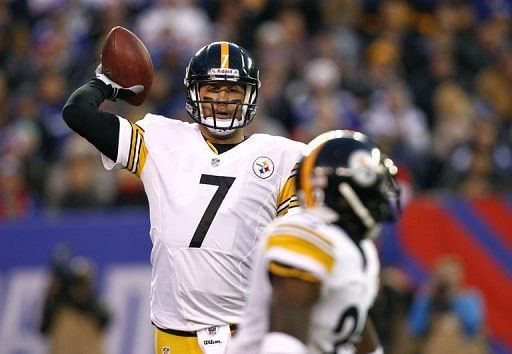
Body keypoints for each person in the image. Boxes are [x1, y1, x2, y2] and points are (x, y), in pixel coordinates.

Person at [61, 41, 306, 354]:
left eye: (233, 90)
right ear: (194, 91)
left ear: (250, 95)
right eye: (212, 88)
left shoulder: (285, 157)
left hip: (246, 333)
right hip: (174, 334)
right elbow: (78, 112)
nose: (222, 99)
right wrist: (107, 84)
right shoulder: (162, 140)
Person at [228, 130, 401, 354]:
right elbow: (284, 334)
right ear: (345, 188)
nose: (380, 197)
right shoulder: (304, 233)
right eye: (373, 185)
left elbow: (351, 328)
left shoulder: (362, 248)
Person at [408, 255, 488, 354]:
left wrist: (453, 296)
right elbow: (415, 328)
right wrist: (427, 298)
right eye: (442, 275)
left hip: (463, 348)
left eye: (449, 275)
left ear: (459, 276)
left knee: (449, 325)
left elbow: (473, 324)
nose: (445, 280)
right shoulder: (427, 298)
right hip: (431, 347)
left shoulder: (470, 297)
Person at [40, 246, 110, 354]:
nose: (78, 287)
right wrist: (52, 296)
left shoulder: (94, 306)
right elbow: (43, 329)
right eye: (75, 282)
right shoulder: (58, 307)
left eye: (81, 282)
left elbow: (105, 320)